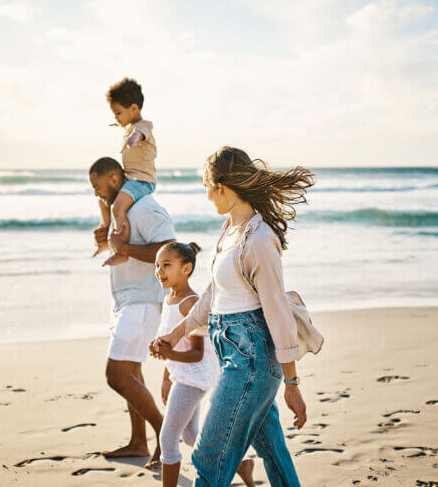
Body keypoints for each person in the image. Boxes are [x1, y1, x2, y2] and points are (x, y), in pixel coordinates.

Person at [152, 146, 320, 486]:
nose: (206, 195)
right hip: (232, 352)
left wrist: (292, 383)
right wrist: (176, 333)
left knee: (209, 456)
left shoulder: (259, 240)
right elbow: (214, 295)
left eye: (207, 187)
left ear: (223, 188)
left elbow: (277, 314)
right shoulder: (231, 231)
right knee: (272, 452)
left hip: (252, 360)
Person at [89, 156, 175, 468]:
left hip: (143, 301)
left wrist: (123, 249)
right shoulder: (121, 211)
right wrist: (106, 239)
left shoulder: (144, 206)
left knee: (117, 375)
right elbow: (123, 246)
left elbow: (170, 248)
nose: (97, 194)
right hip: (127, 301)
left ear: (115, 180)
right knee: (133, 373)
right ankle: (139, 442)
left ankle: (166, 437)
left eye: (98, 186)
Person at [151, 241, 256, 487]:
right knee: (190, 436)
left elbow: (197, 354)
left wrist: (169, 356)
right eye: (157, 265)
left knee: (168, 439)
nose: (159, 271)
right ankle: (241, 465)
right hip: (181, 376)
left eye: (167, 265)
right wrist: (167, 378)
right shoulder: (169, 299)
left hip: (194, 378)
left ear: (186, 269)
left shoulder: (191, 303)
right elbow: (173, 344)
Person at [94, 77, 158, 266]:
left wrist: (133, 139)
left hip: (142, 181)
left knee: (118, 208)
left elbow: (140, 133)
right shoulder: (130, 128)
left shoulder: (142, 126)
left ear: (134, 109)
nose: (116, 118)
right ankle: (106, 239)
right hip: (131, 179)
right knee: (104, 202)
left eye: (118, 113)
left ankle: (122, 249)